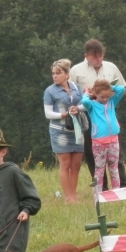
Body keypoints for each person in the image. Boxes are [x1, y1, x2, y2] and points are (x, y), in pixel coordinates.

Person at [69, 39, 126, 190]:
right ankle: (101, 188)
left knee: (116, 150)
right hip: (88, 112)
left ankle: (122, 184)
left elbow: (124, 89)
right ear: (86, 56)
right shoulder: (76, 71)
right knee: (93, 154)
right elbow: (70, 95)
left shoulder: (111, 67)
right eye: (94, 57)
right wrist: (88, 96)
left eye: (100, 56)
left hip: (109, 111)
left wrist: (108, 91)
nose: (98, 60)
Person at [43, 59, 86, 203]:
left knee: (76, 165)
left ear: (67, 74)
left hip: (77, 130)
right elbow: (48, 114)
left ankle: (74, 194)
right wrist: (63, 114)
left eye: (58, 73)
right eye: (53, 73)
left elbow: (83, 105)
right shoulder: (50, 91)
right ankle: (68, 197)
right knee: (65, 164)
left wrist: (77, 108)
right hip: (59, 131)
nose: (55, 76)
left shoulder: (76, 87)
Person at [81, 79, 126, 193]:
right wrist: (87, 92)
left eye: (107, 96)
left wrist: (109, 86)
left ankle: (117, 192)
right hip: (99, 143)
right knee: (99, 169)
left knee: (114, 167)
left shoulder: (112, 102)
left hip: (113, 141)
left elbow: (121, 90)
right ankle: (98, 193)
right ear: (96, 94)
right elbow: (84, 101)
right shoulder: (92, 106)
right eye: (102, 97)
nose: (105, 99)